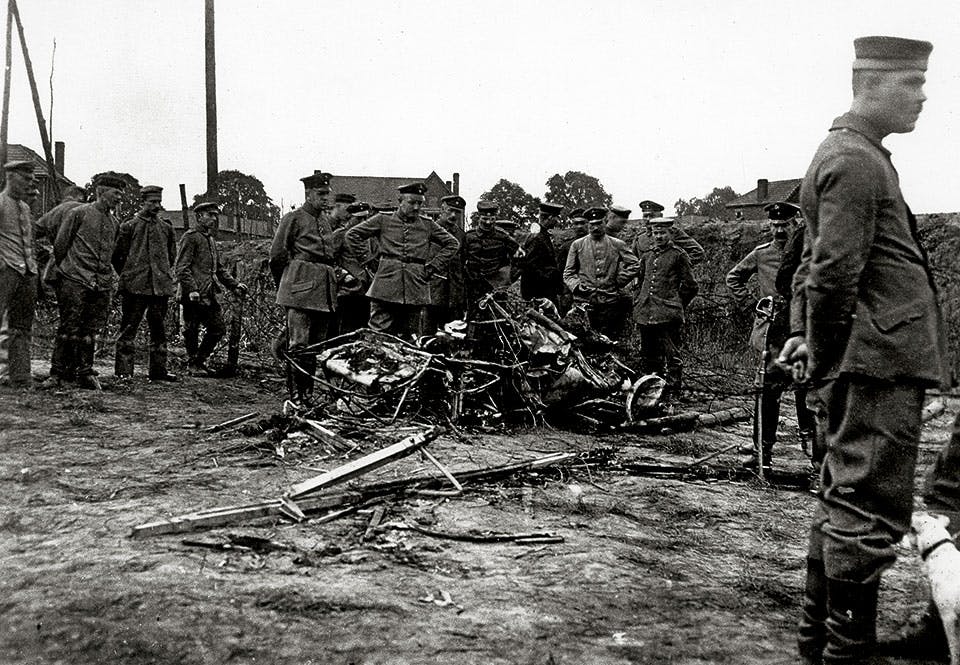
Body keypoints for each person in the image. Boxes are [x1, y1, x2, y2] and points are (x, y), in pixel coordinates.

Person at [777, 36, 949, 665]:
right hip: (875, 363)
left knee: (845, 501)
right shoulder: (855, 160)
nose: (924, 96)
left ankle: (820, 646)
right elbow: (830, 274)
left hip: (871, 359)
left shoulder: (859, 155)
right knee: (866, 511)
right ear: (869, 82)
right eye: (911, 83)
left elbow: (814, 269)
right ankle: (845, 655)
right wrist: (821, 358)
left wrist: (811, 346)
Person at [726, 201, 816, 467]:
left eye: (784, 225)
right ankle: (761, 451)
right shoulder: (761, 253)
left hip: (802, 329)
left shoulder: (807, 253)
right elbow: (734, 278)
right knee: (766, 391)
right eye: (774, 225)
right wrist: (754, 306)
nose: (779, 231)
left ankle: (813, 454)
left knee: (806, 391)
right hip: (772, 329)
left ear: (796, 223)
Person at [44, 174, 127, 390]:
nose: (120, 198)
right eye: (116, 193)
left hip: (100, 283)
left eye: (121, 194)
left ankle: (85, 372)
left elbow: (111, 253)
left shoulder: (114, 222)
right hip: (75, 278)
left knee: (90, 330)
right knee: (68, 327)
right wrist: (64, 273)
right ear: (101, 191)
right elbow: (61, 246)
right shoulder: (78, 213)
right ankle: (58, 373)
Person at [345, 182, 458, 338]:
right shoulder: (382, 219)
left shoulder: (428, 225)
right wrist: (368, 261)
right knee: (378, 334)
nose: (417, 207)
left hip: (415, 286)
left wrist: (432, 268)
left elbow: (452, 244)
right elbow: (352, 235)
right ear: (400, 201)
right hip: (385, 285)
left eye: (420, 203)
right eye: (412, 202)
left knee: (411, 336)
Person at [269, 172, 339, 401]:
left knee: (315, 347)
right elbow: (277, 256)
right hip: (299, 290)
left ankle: (307, 394)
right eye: (321, 194)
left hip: (323, 292)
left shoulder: (324, 221)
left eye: (327, 194)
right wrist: (287, 285)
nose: (326, 198)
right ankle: (297, 396)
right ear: (308, 194)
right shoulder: (293, 218)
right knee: (298, 346)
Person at [110, 185, 178, 381]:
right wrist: (130, 274)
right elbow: (118, 256)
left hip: (159, 288)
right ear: (143, 202)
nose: (157, 206)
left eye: (159, 202)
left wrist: (160, 273)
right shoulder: (129, 226)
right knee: (129, 328)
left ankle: (158, 371)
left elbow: (171, 256)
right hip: (135, 287)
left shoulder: (166, 228)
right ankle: (124, 372)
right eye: (152, 202)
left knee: (159, 329)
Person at [175, 201, 247, 376]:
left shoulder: (210, 239)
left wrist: (234, 284)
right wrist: (191, 289)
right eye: (210, 215)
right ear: (200, 217)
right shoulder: (190, 237)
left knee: (218, 329)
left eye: (216, 215)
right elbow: (182, 267)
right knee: (191, 329)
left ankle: (199, 361)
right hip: (193, 293)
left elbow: (219, 269)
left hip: (209, 294)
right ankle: (193, 365)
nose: (215, 219)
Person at [633, 218, 698, 401]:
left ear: (671, 234)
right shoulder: (647, 255)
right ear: (652, 234)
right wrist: (638, 301)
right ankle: (651, 389)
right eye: (656, 233)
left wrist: (676, 304)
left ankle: (672, 392)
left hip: (668, 314)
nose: (659, 236)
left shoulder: (679, 255)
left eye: (663, 233)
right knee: (648, 354)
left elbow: (691, 286)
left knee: (672, 355)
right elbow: (640, 282)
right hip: (646, 312)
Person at [563, 207, 640, 340]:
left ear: (605, 222)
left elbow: (635, 264)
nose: (596, 228)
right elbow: (568, 273)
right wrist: (576, 286)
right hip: (585, 303)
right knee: (585, 339)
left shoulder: (617, 244)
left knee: (608, 340)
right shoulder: (577, 245)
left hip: (609, 302)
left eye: (599, 223)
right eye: (592, 224)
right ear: (588, 225)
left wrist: (619, 280)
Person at [0, 160, 38, 388]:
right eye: (25, 179)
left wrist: (32, 270)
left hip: (26, 273)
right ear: (10, 177)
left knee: (22, 326)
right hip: (6, 271)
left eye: (31, 179)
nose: (29, 183)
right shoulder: (1, 203)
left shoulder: (25, 207)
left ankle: (20, 376)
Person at [462, 200, 519, 311]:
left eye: (492, 219)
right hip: (473, 288)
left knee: (498, 320)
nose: (488, 222)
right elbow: (461, 261)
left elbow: (520, 257)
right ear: (479, 217)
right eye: (484, 219)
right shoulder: (469, 237)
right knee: (473, 320)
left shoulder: (502, 236)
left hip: (496, 288)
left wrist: (508, 277)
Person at [332, 201, 375, 335]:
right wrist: (344, 276)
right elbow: (328, 261)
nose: (363, 221)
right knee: (347, 330)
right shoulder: (340, 235)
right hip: (347, 291)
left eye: (365, 218)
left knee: (364, 329)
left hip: (366, 290)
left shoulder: (368, 237)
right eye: (359, 218)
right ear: (349, 218)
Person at [426, 194, 467, 330]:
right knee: (430, 332)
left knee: (454, 333)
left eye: (457, 212)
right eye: (450, 210)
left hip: (454, 293)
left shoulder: (461, 235)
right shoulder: (429, 231)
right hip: (433, 292)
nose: (453, 215)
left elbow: (463, 262)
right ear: (442, 209)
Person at [517, 201, 563, 306]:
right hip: (539, 291)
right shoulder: (537, 237)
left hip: (542, 290)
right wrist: (551, 276)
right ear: (550, 217)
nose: (558, 221)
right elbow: (529, 265)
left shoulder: (542, 235)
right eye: (557, 218)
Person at [632, 200, 705, 264]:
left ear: (660, 216)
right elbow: (633, 262)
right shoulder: (639, 238)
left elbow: (698, 252)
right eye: (645, 216)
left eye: (651, 216)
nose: (648, 219)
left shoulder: (672, 232)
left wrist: (679, 267)